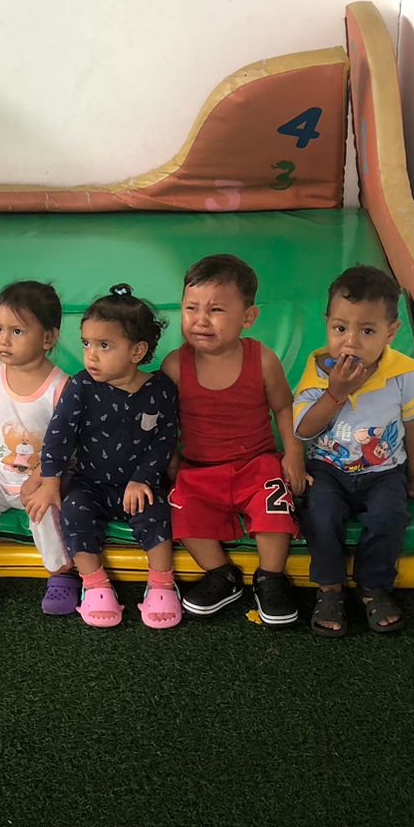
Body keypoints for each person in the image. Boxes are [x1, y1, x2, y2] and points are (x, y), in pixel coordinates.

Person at [293, 266, 414, 637]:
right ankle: (330, 589)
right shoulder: (317, 371)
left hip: (384, 474)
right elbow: (304, 429)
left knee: (390, 515)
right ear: (327, 323)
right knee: (320, 513)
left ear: (391, 332)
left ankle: (374, 588)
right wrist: (336, 392)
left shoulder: (403, 373)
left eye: (367, 331)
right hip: (327, 470)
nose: (350, 342)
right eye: (340, 328)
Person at [163, 254, 309, 625]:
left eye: (215, 310)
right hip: (199, 470)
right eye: (191, 308)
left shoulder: (262, 359)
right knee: (180, 511)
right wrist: (171, 463)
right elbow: (165, 424)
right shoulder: (175, 365)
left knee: (275, 510)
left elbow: (284, 407)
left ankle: (270, 576)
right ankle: (221, 574)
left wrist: (293, 453)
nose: (200, 319)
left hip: (256, 465)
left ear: (248, 317)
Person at [28, 284, 181, 629]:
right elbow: (59, 435)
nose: (91, 355)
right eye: (86, 343)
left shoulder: (160, 389)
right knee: (73, 510)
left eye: (104, 345)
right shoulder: (81, 386)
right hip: (90, 483)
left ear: (137, 351)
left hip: (138, 484)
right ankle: (95, 584)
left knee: (157, 512)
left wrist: (142, 479)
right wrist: (50, 482)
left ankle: (161, 584)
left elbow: (164, 440)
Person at [0, 281, 79, 615]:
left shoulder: (60, 387)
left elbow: (67, 446)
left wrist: (42, 480)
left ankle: (62, 574)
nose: (4, 340)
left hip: (43, 479)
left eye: (17, 331)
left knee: (45, 512)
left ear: (48, 338)